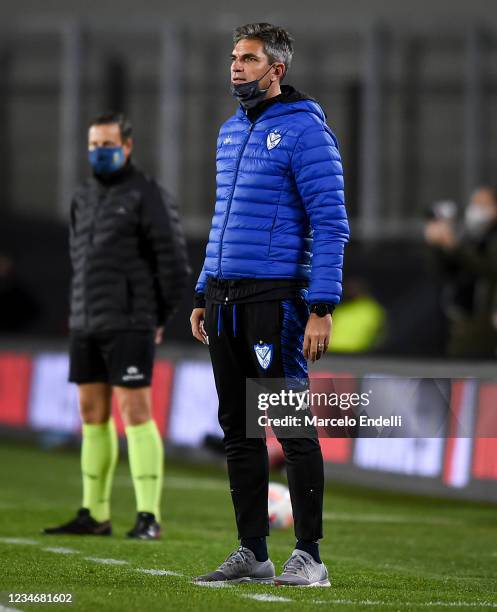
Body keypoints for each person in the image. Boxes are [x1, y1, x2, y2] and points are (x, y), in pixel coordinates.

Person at [190, 23, 349, 586]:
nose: (235, 67)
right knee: (239, 430)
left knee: (288, 424)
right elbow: (223, 218)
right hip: (225, 299)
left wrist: (322, 304)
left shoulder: (307, 132)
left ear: (276, 70)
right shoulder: (231, 131)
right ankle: (252, 551)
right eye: (233, 57)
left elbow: (331, 223)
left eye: (248, 59)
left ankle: (309, 555)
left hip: (274, 302)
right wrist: (203, 290)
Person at [44, 112, 189, 539]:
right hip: (86, 320)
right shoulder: (82, 198)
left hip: (130, 320)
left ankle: (149, 516)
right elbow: (80, 261)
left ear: (126, 147)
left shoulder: (147, 194)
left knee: (135, 412)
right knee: (92, 414)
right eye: (93, 145)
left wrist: (157, 317)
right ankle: (95, 513)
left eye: (107, 145)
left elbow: (175, 264)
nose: (99, 152)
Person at [424, 185, 497, 358]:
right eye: (474, 203)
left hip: (487, 324)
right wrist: (438, 246)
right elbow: (446, 273)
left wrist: (455, 247)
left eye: (483, 204)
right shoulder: (469, 236)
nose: (476, 209)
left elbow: (489, 268)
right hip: (463, 322)